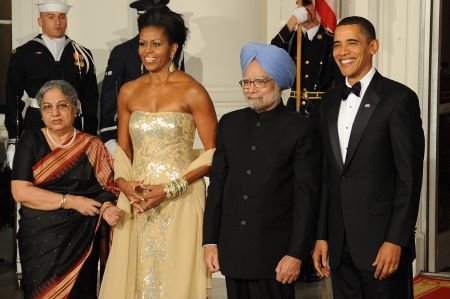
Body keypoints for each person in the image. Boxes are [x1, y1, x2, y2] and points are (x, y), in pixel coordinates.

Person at [98, 6, 217, 299]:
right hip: (137, 200)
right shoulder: (128, 91)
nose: (146, 51)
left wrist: (169, 188)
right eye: (142, 43)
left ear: (173, 48)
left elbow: (215, 153)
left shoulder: (193, 91)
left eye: (155, 44)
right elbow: (124, 151)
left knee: (174, 281)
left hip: (181, 198)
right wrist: (125, 186)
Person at [312, 16, 424, 299]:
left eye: (352, 43)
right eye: (337, 44)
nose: (342, 51)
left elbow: (408, 178)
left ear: (373, 46)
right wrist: (322, 235)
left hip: (382, 244)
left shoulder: (399, 99)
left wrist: (395, 239)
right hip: (339, 246)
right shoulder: (327, 102)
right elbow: (327, 175)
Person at [203, 43, 321, 299]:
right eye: (246, 82)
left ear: (278, 83)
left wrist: (296, 253)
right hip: (233, 252)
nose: (251, 89)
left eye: (260, 82)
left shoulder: (301, 128)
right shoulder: (229, 124)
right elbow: (217, 187)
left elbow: (306, 197)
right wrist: (210, 241)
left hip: (276, 257)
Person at [10, 80, 123, 299]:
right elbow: (20, 192)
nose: (55, 113)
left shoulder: (92, 145)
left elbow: (107, 186)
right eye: (47, 107)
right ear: (41, 113)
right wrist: (72, 201)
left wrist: (107, 207)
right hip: (39, 237)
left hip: (80, 236)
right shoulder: (30, 141)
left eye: (62, 105)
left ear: (75, 108)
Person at [5, 0, 99, 169]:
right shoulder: (23, 53)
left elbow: (90, 98)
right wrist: (14, 138)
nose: (57, 22)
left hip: (73, 124)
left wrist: (90, 136)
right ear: (40, 21)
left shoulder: (82, 53)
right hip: (36, 123)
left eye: (62, 17)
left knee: (72, 175)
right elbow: (13, 96)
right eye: (51, 17)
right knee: (37, 174)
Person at [99, 0, 185, 154]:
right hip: (131, 139)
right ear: (139, 20)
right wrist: (112, 142)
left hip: (168, 137)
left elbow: (179, 91)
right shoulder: (122, 52)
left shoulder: (175, 51)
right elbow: (110, 99)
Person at [271, 0, 340, 116]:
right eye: (300, 5)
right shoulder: (291, 38)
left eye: (307, 3)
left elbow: (339, 79)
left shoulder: (330, 40)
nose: (303, 8)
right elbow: (272, 52)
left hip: (322, 108)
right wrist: (293, 21)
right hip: (294, 107)